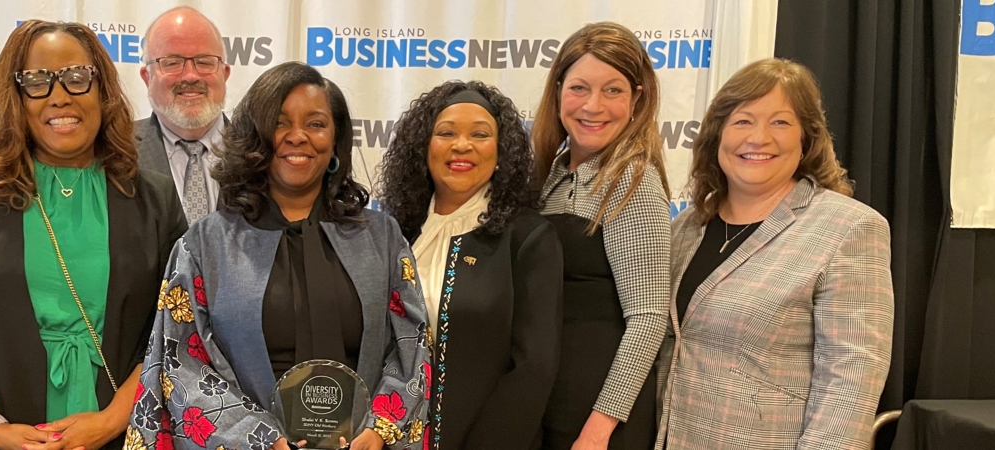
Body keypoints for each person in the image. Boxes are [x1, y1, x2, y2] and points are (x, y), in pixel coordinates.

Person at [0, 20, 186, 450]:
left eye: (77, 78)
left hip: (123, 437)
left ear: (103, 89)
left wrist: (111, 421)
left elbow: (172, 330)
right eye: (37, 81)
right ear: (15, 97)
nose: (60, 95)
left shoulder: (154, 197)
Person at [125, 62, 430, 450]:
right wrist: (260, 440)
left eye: (316, 124)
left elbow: (411, 345)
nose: (298, 136)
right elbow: (183, 364)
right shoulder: (205, 245)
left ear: (335, 142)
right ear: (255, 137)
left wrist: (378, 430)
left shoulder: (382, 238)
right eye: (280, 123)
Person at [654, 58, 893, 450]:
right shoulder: (685, 228)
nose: (759, 138)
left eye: (780, 122)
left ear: (807, 138)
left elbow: (852, 378)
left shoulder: (849, 227)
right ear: (718, 136)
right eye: (743, 121)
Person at [377, 80, 564, 450]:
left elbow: (534, 368)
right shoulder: (395, 232)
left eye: (480, 134)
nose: (462, 145)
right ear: (423, 147)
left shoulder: (528, 237)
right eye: (446, 133)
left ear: (501, 151)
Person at [531, 22, 671, 450]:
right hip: (546, 398)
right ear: (557, 92)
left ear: (637, 99)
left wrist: (599, 427)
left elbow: (649, 318)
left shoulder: (633, 179)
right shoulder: (549, 175)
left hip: (597, 414)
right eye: (579, 88)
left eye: (613, 90)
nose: (593, 106)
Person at [136, 6, 231, 224]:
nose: (190, 75)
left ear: (224, 74)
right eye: (172, 63)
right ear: (147, 77)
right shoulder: (114, 154)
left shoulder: (262, 152)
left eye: (205, 62)